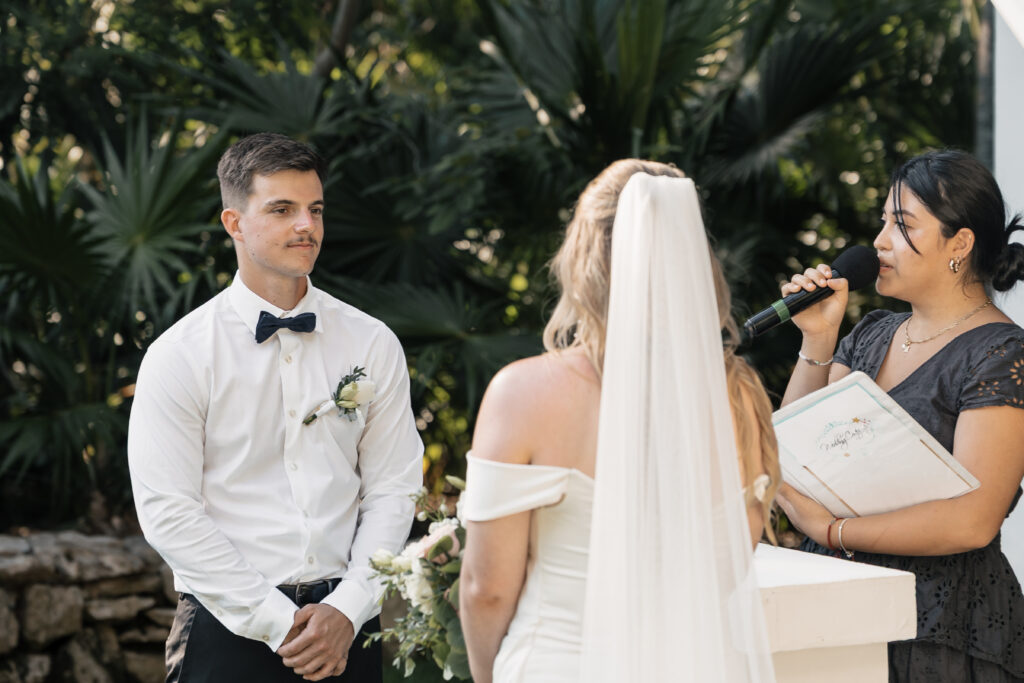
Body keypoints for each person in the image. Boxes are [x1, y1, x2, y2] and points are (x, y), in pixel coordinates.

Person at [458, 160, 779, 683]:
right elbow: (730, 565)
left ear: (582, 261)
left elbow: (486, 589)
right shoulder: (740, 397)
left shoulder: (524, 393)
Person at [127, 133, 423, 683]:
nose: (306, 226)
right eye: (282, 210)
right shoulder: (179, 355)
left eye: (315, 209)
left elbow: (394, 488)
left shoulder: (372, 342)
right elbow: (168, 511)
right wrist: (276, 621)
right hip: (226, 631)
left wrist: (349, 607)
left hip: (346, 630)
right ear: (234, 222)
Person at [775, 149, 1024, 682]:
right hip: (841, 609)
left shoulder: (1001, 353)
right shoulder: (870, 335)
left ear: (960, 243)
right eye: (884, 221)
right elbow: (797, 454)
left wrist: (833, 529)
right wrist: (819, 339)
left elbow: (974, 519)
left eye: (902, 224)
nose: (879, 242)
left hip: (941, 627)